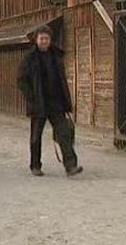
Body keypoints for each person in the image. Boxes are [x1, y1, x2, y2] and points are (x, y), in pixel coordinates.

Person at [17, 25, 83, 177]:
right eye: (41, 38)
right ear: (36, 39)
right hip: (38, 102)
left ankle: (71, 165)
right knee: (36, 136)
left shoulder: (56, 55)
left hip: (56, 103)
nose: (44, 41)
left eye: (46, 38)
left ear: (50, 40)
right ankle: (35, 165)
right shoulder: (29, 58)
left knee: (64, 133)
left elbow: (62, 81)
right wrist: (31, 96)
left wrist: (66, 102)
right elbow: (21, 80)